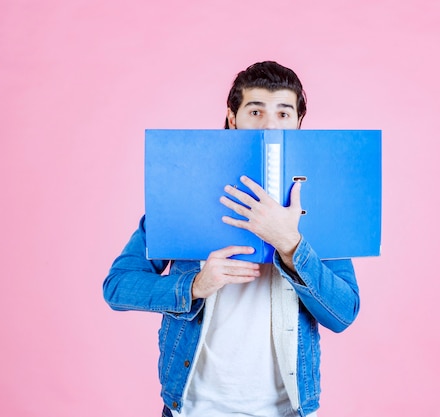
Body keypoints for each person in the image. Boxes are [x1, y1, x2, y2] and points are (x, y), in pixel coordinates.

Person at [103, 61, 360, 417]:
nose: (270, 124)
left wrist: (291, 247)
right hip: (192, 408)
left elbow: (343, 314)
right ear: (231, 118)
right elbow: (117, 287)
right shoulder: (182, 195)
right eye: (256, 111)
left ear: (299, 124)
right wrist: (193, 285)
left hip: (287, 410)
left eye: (283, 113)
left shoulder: (322, 208)